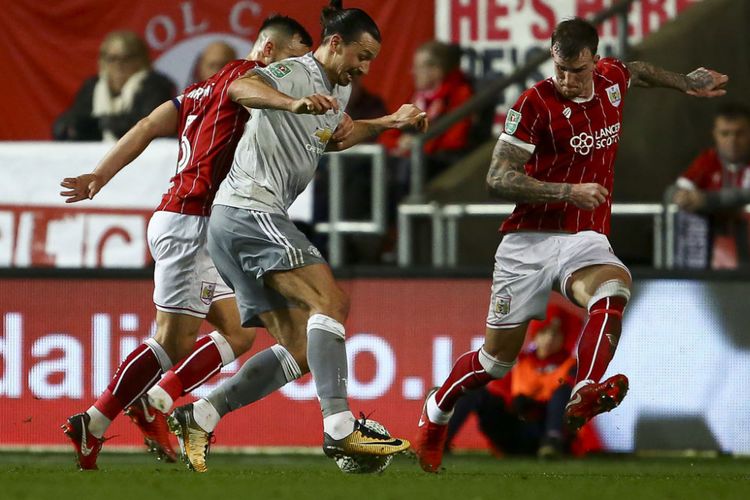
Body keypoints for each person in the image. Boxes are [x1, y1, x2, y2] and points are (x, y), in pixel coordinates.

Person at [415, 17, 728, 473]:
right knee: (495, 364)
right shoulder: (533, 104)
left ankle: (585, 389)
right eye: (559, 68)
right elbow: (496, 179)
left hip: (583, 237)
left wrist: (685, 82)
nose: (565, 79)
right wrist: (567, 191)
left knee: (614, 287)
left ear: (595, 63)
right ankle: (437, 408)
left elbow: (637, 70)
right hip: (528, 242)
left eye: (576, 70)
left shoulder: (613, 79)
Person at [166, 0, 428, 472]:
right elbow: (242, 87)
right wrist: (291, 101)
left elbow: (337, 138)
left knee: (302, 350)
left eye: (372, 59)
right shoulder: (296, 72)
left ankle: (201, 414)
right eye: (360, 55)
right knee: (332, 303)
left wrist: (390, 122)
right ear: (334, 44)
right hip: (251, 211)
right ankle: (341, 429)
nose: (365, 67)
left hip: (235, 223)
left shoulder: (336, 90)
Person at [59, 15, 315, 471]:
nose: (298, 71)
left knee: (238, 331)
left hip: (196, 223)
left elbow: (144, 125)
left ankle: (155, 399)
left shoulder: (197, 91)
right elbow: (246, 91)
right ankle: (95, 421)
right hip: (190, 222)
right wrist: (292, 105)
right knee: (170, 342)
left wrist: (100, 174)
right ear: (270, 50)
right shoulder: (245, 78)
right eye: (296, 57)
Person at [445, 305, 578, 458]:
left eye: (555, 334)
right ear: (535, 335)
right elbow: (499, 393)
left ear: (564, 337)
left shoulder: (571, 365)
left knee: (564, 391)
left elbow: (574, 403)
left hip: (546, 428)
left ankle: (552, 442)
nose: (549, 339)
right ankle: (441, 440)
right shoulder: (518, 361)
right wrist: (514, 403)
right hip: (517, 428)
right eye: (544, 332)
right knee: (475, 390)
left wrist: (536, 406)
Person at [53, 30, 176, 141]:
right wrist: (66, 125)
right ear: (102, 61)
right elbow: (77, 118)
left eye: (126, 58)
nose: (119, 65)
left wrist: (104, 123)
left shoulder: (156, 86)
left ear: (142, 60)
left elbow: (147, 125)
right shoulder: (92, 86)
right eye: (112, 58)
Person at [672, 103, 750, 268]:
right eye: (725, 133)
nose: (732, 140)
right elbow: (675, 191)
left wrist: (707, 200)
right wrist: (682, 198)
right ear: (715, 135)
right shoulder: (708, 161)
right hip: (711, 255)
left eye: (739, 133)